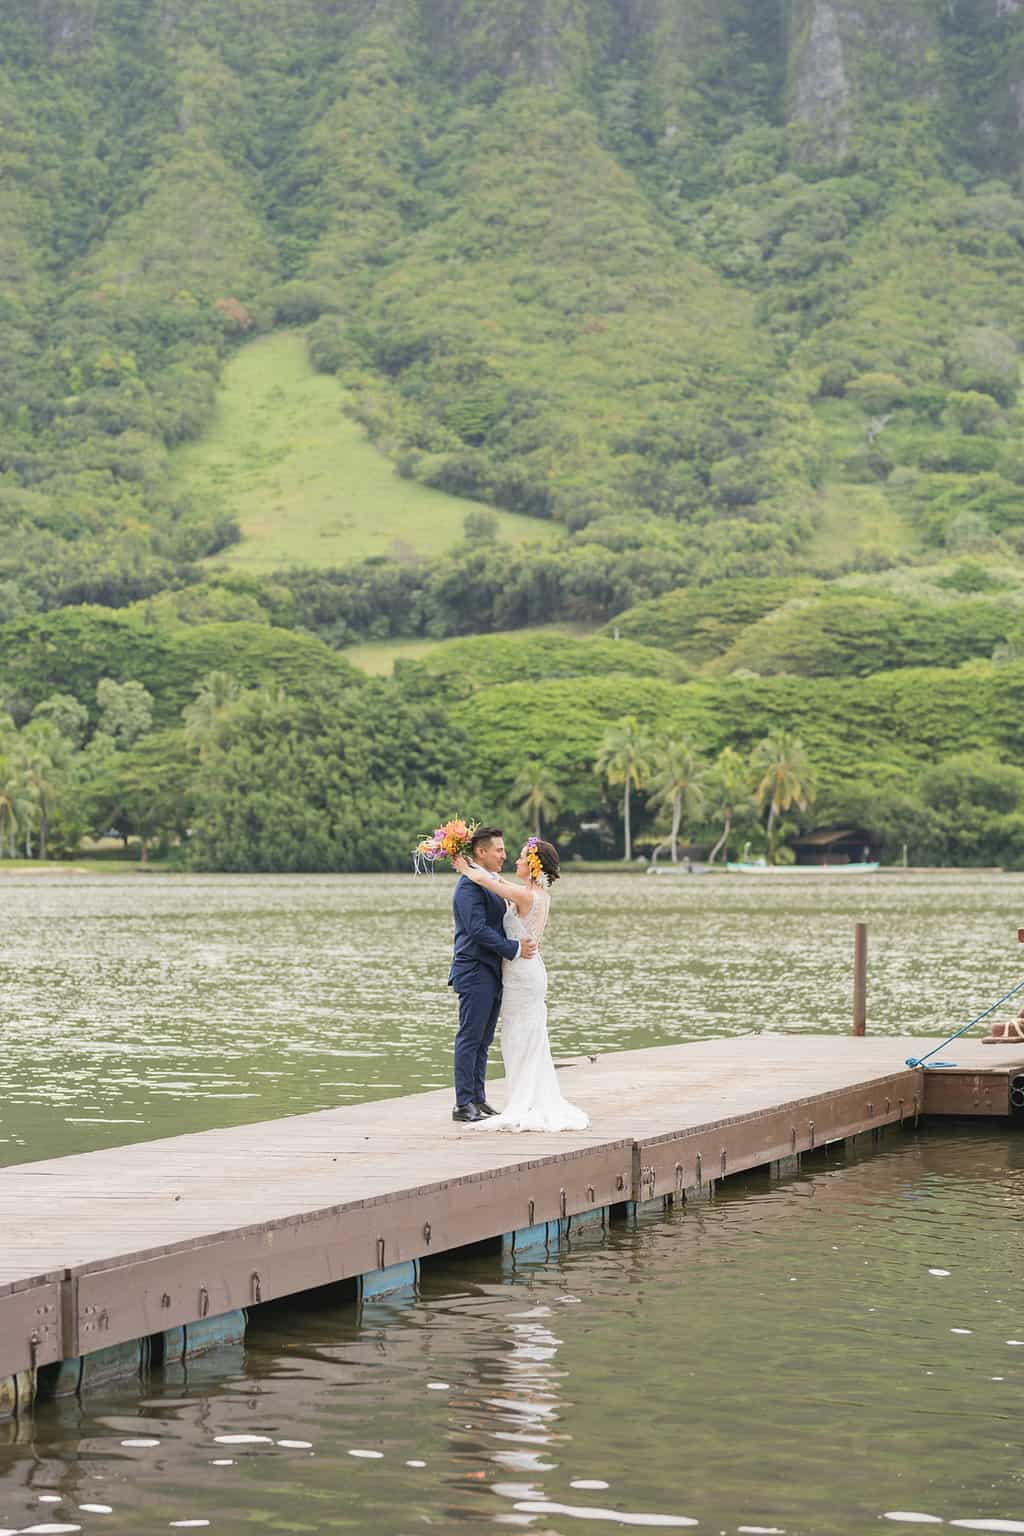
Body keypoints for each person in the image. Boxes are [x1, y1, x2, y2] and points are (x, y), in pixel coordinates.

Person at [452, 837, 589, 1133]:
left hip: (522, 974)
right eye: (503, 852)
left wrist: (466, 867)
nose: (513, 859)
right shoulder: (531, 893)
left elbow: (490, 882)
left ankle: (517, 1100)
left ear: (533, 865)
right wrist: (474, 866)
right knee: (519, 1036)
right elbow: (495, 882)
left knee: (519, 1037)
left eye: (521, 857)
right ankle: (479, 1100)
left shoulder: (527, 896)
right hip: (520, 971)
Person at [449, 826, 538, 1123]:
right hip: (474, 969)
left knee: (484, 1038)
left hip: (493, 970)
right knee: (470, 1036)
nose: (504, 854)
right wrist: (513, 948)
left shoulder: (488, 882)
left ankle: (478, 1097)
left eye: (504, 850)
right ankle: (463, 1103)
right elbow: (477, 930)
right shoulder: (468, 887)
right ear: (480, 852)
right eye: (498, 850)